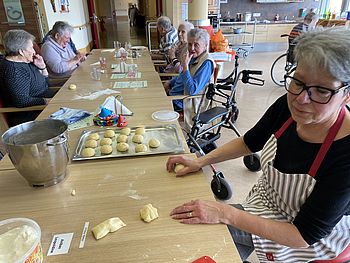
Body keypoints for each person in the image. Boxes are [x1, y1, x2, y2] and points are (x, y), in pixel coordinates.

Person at [167, 28, 350, 263]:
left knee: (210, 230)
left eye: (322, 91)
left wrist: (225, 212)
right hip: (267, 203)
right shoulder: (287, 105)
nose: (302, 99)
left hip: (309, 237)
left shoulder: (345, 153)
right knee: (209, 239)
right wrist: (200, 160)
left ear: (346, 95)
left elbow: (304, 235)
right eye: (298, 82)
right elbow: (249, 142)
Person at [0, 29, 56, 126]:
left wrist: (42, 67)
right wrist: (47, 101)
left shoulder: (26, 61)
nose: (34, 51)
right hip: (33, 114)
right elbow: (21, 101)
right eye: (31, 48)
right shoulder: (14, 70)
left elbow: (45, 84)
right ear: (21, 51)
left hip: (44, 104)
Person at [164, 28, 214, 111]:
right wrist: (170, 82)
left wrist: (185, 66)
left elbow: (192, 90)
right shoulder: (194, 56)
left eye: (196, 45)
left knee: (153, 106)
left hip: (181, 102)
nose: (192, 48)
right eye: (190, 44)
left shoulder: (206, 63)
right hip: (172, 95)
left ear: (205, 46)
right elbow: (182, 77)